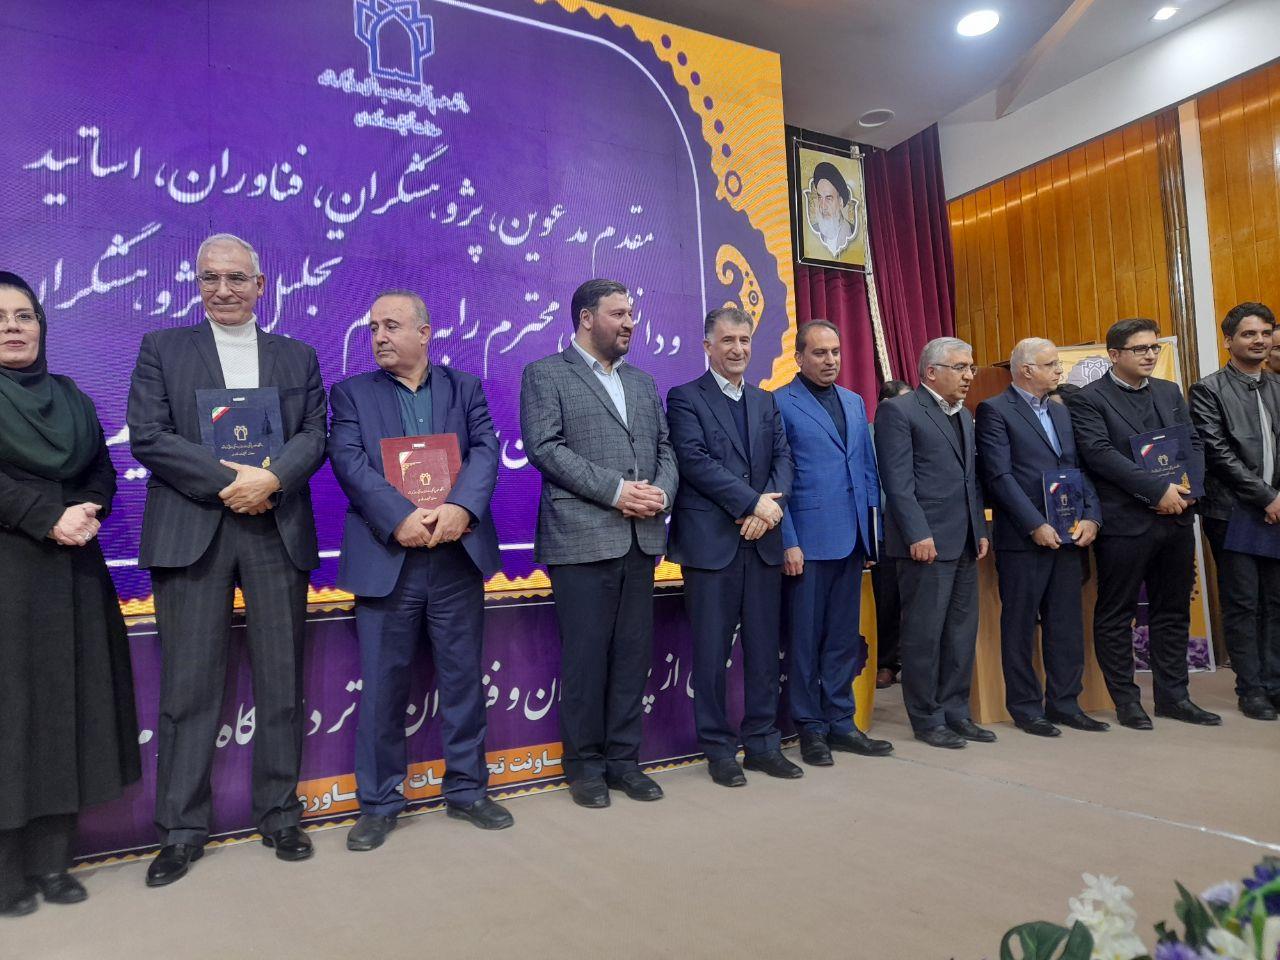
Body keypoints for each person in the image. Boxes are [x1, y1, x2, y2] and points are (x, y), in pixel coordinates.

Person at [127, 233, 327, 886]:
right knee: (187, 689)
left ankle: (280, 814)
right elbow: (149, 435)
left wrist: (271, 480)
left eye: (236, 278)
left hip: (275, 528)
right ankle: (181, 831)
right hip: (194, 530)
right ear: (197, 284)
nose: (223, 290)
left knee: (281, 681)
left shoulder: (297, 356)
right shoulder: (162, 348)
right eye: (210, 278)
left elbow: (315, 435)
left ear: (261, 286)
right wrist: (230, 481)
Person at [328, 290, 512, 850]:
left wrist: (460, 509)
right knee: (383, 688)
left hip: (456, 557)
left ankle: (468, 791)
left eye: (392, 325)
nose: (380, 336)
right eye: (373, 327)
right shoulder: (351, 393)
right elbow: (349, 461)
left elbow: (486, 450)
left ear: (425, 332)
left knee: (462, 681)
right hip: (389, 559)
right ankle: (380, 803)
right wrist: (400, 518)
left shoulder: (465, 388)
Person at [0, 272, 140, 917]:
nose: (12, 327)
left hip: (73, 573)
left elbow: (99, 470)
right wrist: (43, 516)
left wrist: (88, 508)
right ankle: (6, 870)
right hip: (9, 577)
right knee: (10, 717)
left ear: (41, 325)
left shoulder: (72, 397)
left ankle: (53, 862)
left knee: (65, 711)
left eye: (24, 315)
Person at [519, 279, 678, 808]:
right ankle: (584, 766)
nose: (630, 322)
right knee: (586, 661)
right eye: (619, 313)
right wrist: (616, 492)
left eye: (631, 313)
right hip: (581, 541)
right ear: (587, 318)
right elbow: (544, 448)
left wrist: (661, 494)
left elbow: (666, 448)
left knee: (632, 658)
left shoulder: (643, 382)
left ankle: (624, 762)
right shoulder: (545, 374)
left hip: (641, 539)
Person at [666, 307, 800, 787]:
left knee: (764, 651)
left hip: (763, 542)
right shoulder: (684, 398)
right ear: (708, 346)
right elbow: (694, 462)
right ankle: (719, 749)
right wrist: (752, 504)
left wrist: (766, 511)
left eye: (744, 340)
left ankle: (762, 744)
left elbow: (784, 459)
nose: (738, 349)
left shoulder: (766, 401)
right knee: (711, 654)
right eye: (727, 341)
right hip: (711, 547)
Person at [1067, 318, 1219, 729]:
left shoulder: (1168, 391)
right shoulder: (1089, 399)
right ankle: (1126, 701)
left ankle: (1175, 697)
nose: (1150, 355)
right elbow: (1099, 454)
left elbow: (1193, 442)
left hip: (1176, 516)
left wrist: (1189, 491)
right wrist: (1157, 491)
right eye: (1140, 349)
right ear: (1114, 355)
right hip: (1125, 521)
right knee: (1117, 613)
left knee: (1173, 610)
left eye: (1153, 347)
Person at [975, 338, 1109, 736]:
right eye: (1050, 364)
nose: (1059, 370)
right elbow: (999, 476)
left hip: (1069, 534)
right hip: (1023, 538)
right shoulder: (995, 410)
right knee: (1019, 626)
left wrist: (1092, 516)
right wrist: (1034, 524)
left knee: (1065, 624)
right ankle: (1026, 707)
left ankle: (1065, 703)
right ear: (1026, 369)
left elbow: (1077, 469)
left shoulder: (1061, 411)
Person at [774, 320, 892, 765]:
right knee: (806, 642)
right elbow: (777, 479)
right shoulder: (779, 402)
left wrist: (872, 537)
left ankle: (842, 721)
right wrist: (788, 540)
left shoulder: (854, 400)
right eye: (820, 353)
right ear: (799, 357)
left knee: (842, 639)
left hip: (852, 540)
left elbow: (867, 472)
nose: (830, 361)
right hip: (808, 543)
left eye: (836, 352)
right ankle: (811, 728)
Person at [875, 337, 991, 749]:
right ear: (931, 372)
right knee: (924, 634)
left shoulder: (964, 414)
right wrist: (917, 533)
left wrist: (979, 529)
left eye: (970, 367)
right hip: (924, 542)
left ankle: (957, 712)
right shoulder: (899, 411)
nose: (969, 376)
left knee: (960, 633)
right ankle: (927, 718)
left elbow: (969, 480)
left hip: (963, 540)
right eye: (960, 367)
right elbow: (898, 482)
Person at [1189, 302, 1280, 721]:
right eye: (1248, 334)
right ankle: (1251, 689)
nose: (1259, 340)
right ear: (1229, 341)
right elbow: (1218, 452)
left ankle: (1275, 683)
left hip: (1276, 509)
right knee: (1244, 602)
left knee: (1275, 601)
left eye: (1264, 333)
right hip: (1233, 512)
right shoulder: (1208, 389)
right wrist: (1266, 497)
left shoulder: (1277, 385)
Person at [871, 379, 912, 689]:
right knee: (886, 599)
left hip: (918, 525)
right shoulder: (868, 434)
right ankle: (886, 662)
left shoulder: (918, 430)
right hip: (884, 526)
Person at [806, 161, 856, 257]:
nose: (823, 206)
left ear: (840, 202)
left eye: (828, 198)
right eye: (820, 197)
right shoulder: (813, 231)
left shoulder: (852, 232)